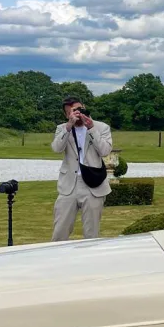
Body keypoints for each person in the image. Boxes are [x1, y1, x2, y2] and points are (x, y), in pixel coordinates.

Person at [51, 96, 113, 241]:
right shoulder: (62, 128)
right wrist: (68, 127)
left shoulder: (101, 127)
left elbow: (105, 151)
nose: (77, 113)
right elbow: (56, 148)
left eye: (79, 109)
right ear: (67, 115)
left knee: (91, 233)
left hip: (93, 185)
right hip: (69, 185)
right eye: (73, 111)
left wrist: (91, 128)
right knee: (60, 230)